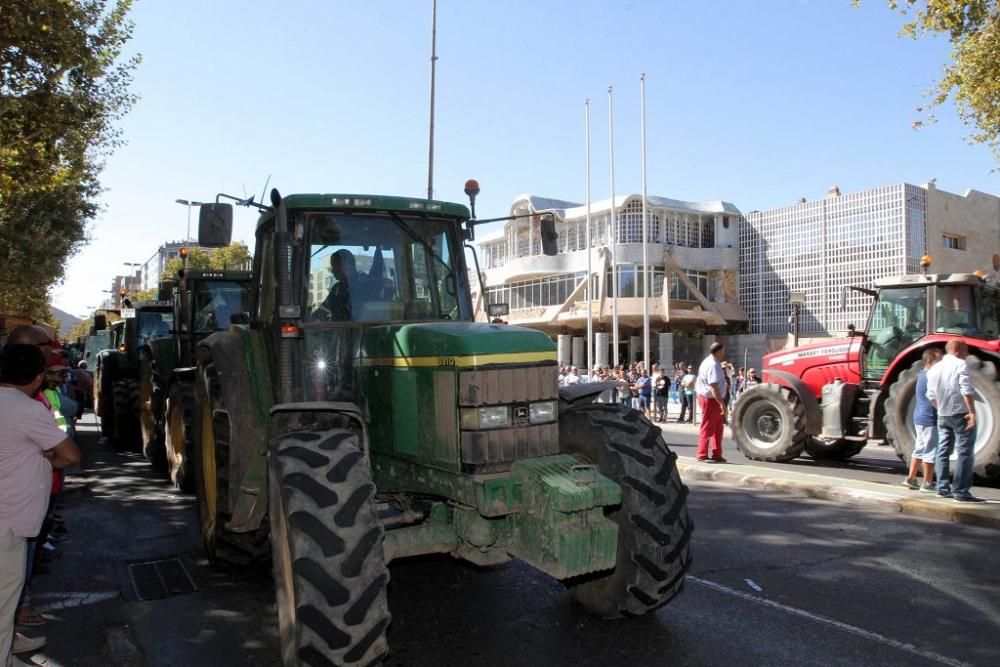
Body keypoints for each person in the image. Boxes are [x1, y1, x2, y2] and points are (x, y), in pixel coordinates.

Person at [1, 345, 82, 666]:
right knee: (5, 599)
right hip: (8, 522)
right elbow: (72, 455)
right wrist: (50, 457)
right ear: (37, 378)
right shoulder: (27, 409)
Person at [925, 339, 982, 502]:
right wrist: (971, 411)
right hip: (960, 413)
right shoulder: (960, 364)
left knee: (943, 450)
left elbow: (931, 396)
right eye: (965, 351)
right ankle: (961, 491)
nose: (967, 354)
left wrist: (941, 408)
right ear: (957, 350)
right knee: (964, 452)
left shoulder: (934, 368)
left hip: (943, 414)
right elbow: (966, 389)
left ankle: (942, 487)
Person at [904, 348, 942, 492]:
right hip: (929, 418)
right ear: (928, 361)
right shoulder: (931, 377)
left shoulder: (921, 375)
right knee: (931, 450)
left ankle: (911, 478)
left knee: (920, 448)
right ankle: (927, 482)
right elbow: (933, 398)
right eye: (938, 362)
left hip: (919, 417)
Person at [695, 342, 728, 463]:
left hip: (711, 398)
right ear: (719, 351)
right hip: (711, 399)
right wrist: (722, 403)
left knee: (718, 427)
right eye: (723, 351)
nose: (724, 353)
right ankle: (702, 453)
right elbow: (713, 386)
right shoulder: (713, 364)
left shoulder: (709, 361)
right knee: (708, 426)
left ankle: (716, 453)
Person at [314, 249, 360, 321]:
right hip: (338, 329)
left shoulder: (366, 284)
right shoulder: (337, 288)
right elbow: (323, 310)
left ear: (346, 265)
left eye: (335, 266)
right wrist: (309, 319)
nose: (332, 271)